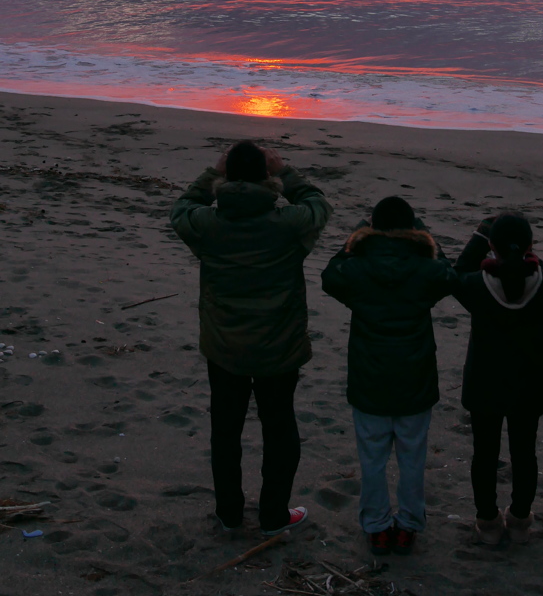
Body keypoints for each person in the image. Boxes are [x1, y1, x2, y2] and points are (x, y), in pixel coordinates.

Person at [169, 141, 332, 535]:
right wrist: (287, 173)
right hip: (279, 344)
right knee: (279, 427)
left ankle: (229, 513)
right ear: (267, 175)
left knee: (226, 429)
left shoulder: (209, 224)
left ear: (227, 177)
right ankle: (274, 514)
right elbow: (319, 205)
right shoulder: (289, 223)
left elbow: (181, 210)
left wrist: (212, 174)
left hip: (225, 346)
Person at [321, 196, 457, 554]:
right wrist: (424, 236)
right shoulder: (426, 269)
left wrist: (354, 239)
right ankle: (409, 523)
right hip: (415, 375)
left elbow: (330, 275)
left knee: (372, 458)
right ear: (413, 230)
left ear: (371, 230)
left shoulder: (357, 268)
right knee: (412, 456)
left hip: (370, 374)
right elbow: (448, 273)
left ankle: (378, 525)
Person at [453, 214, 543, 546]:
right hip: (529, 383)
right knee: (525, 452)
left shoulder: (478, 286)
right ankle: (520, 519)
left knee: (485, 453)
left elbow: (456, 273)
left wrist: (481, 235)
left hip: (484, 382)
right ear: (530, 247)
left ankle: (488, 519)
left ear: (492, 246)